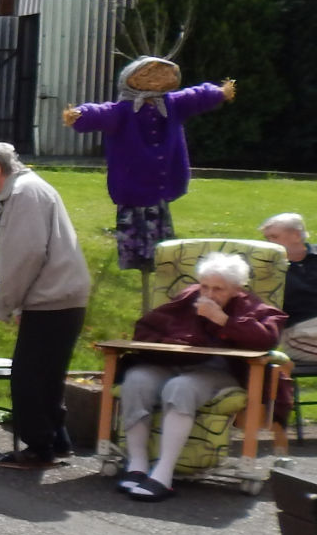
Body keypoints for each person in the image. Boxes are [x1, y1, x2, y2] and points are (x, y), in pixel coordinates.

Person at [114, 251, 285, 502]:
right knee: (136, 379)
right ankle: (137, 465)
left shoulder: (253, 307)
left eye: (218, 289)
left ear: (236, 289)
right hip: (175, 363)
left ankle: (163, 473)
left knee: (181, 387)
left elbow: (266, 339)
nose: (209, 294)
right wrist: (172, 342)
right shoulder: (188, 298)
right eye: (205, 286)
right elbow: (146, 328)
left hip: (220, 372)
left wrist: (223, 320)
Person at [0, 140, 93, 469]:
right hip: (61, 295)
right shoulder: (29, 189)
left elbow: (24, 257)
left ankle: (39, 448)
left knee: (28, 378)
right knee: (47, 375)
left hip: (51, 296)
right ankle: (57, 441)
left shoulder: (24, 194)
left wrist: (7, 305)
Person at [63, 59, 235, 272]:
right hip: (132, 185)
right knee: (135, 228)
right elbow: (101, 112)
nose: (159, 80)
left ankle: (158, 264)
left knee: (160, 237)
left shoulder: (172, 105)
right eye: (150, 75)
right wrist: (80, 115)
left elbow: (195, 97)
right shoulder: (124, 111)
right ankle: (140, 262)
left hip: (162, 183)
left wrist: (217, 93)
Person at [262, 213, 317, 363]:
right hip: (298, 333)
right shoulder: (267, 268)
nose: (269, 243)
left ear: (296, 235)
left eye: (274, 237)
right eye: (267, 238)